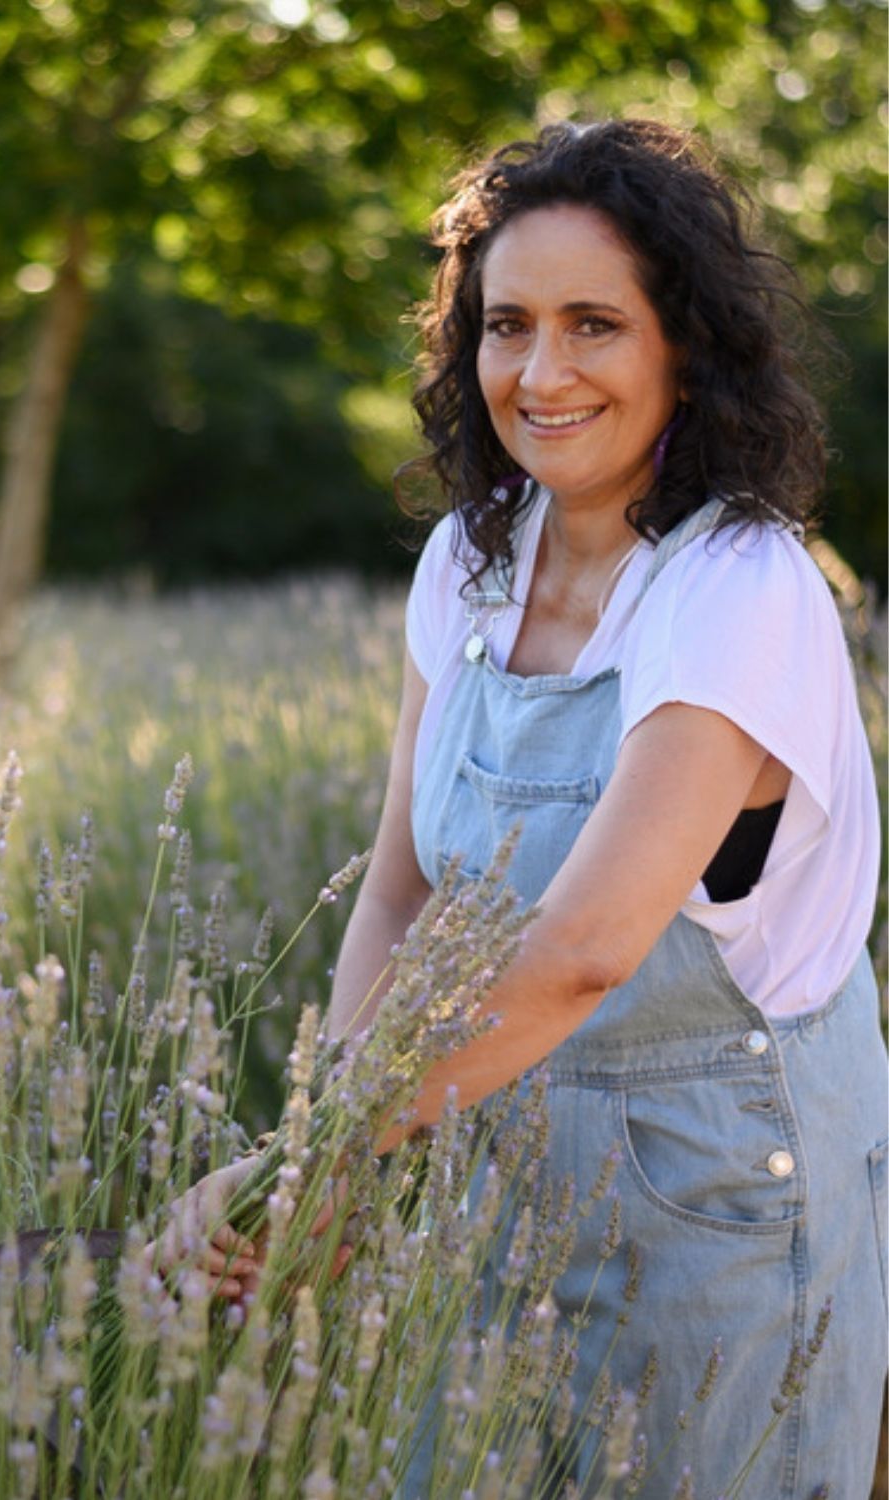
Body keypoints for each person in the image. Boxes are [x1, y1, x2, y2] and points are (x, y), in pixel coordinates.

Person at [324, 119, 887, 1498]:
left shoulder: (739, 590)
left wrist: (329, 1153)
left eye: (595, 325)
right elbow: (401, 889)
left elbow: (584, 948)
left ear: (681, 349)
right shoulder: (469, 562)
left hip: (717, 1205)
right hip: (493, 1162)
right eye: (507, 325)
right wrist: (330, 1141)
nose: (543, 370)